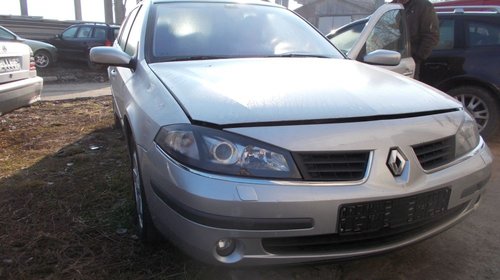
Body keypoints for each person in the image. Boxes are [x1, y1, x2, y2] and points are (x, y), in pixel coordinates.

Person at [393, 0, 439, 80]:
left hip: (409, 62)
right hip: (388, 59)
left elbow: (431, 36)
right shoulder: (390, 7)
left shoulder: (424, 6)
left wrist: (417, 57)